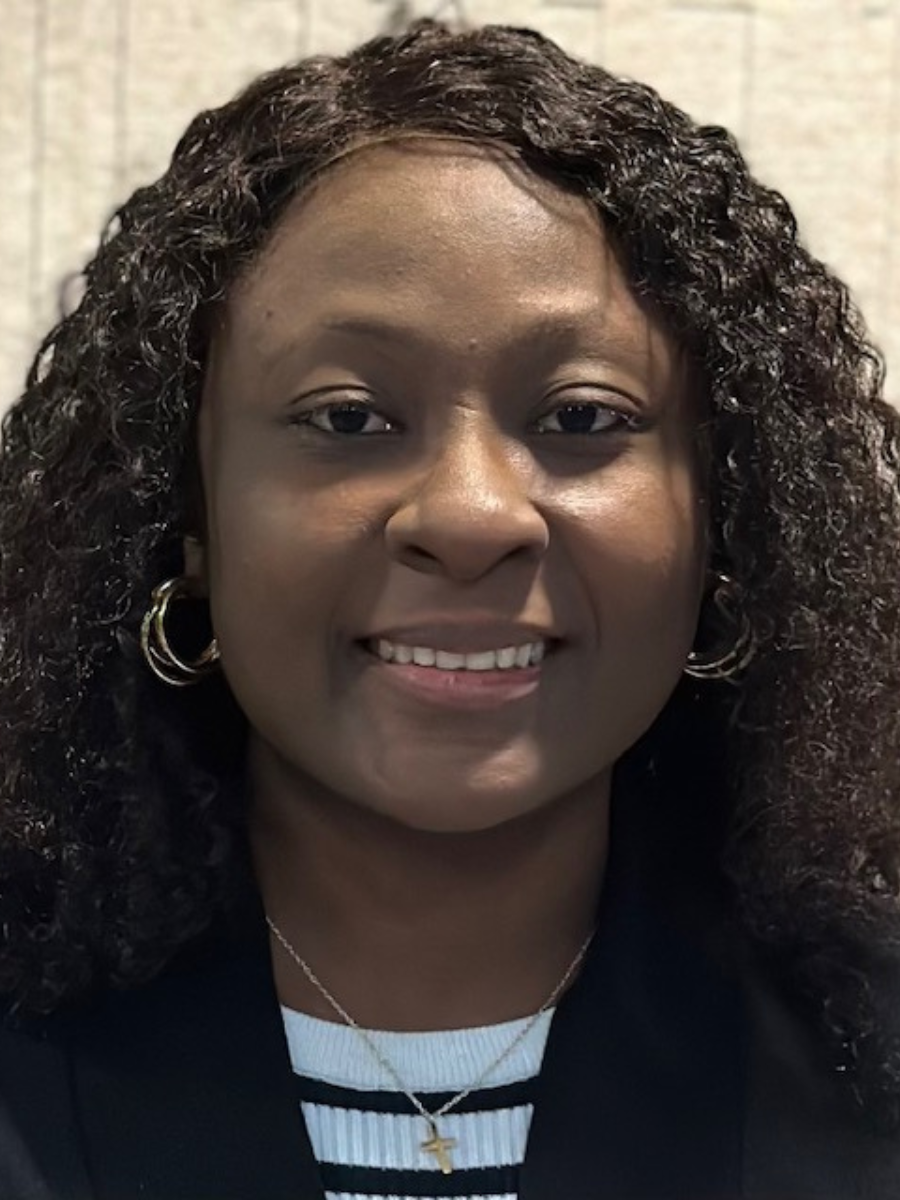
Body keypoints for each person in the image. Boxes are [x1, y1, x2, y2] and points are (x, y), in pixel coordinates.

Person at [1, 18, 898, 1200]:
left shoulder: (866, 1070)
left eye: (583, 418)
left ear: (724, 526)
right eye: (348, 418)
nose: (471, 517)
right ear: (190, 518)